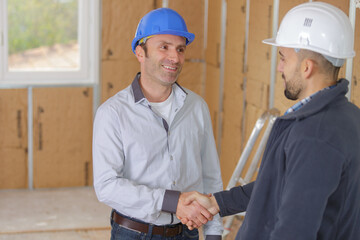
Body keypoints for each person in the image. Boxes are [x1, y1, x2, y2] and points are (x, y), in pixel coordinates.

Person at [182, 2, 360, 239]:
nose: (279, 68)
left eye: (283, 58)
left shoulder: (315, 135)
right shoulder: (343, 116)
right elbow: (282, 186)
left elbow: (293, 231)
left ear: (307, 67)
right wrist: (217, 202)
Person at [92, 7, 223, 240]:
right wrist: (172, 202)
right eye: (164, 47)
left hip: (187, 234)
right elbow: (107, 186)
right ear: (140, 52)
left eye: (180, 49)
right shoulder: (112, 113)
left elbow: (210, 176)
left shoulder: (197, 107)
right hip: (135, 234)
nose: (175, 58)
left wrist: (214, 234)